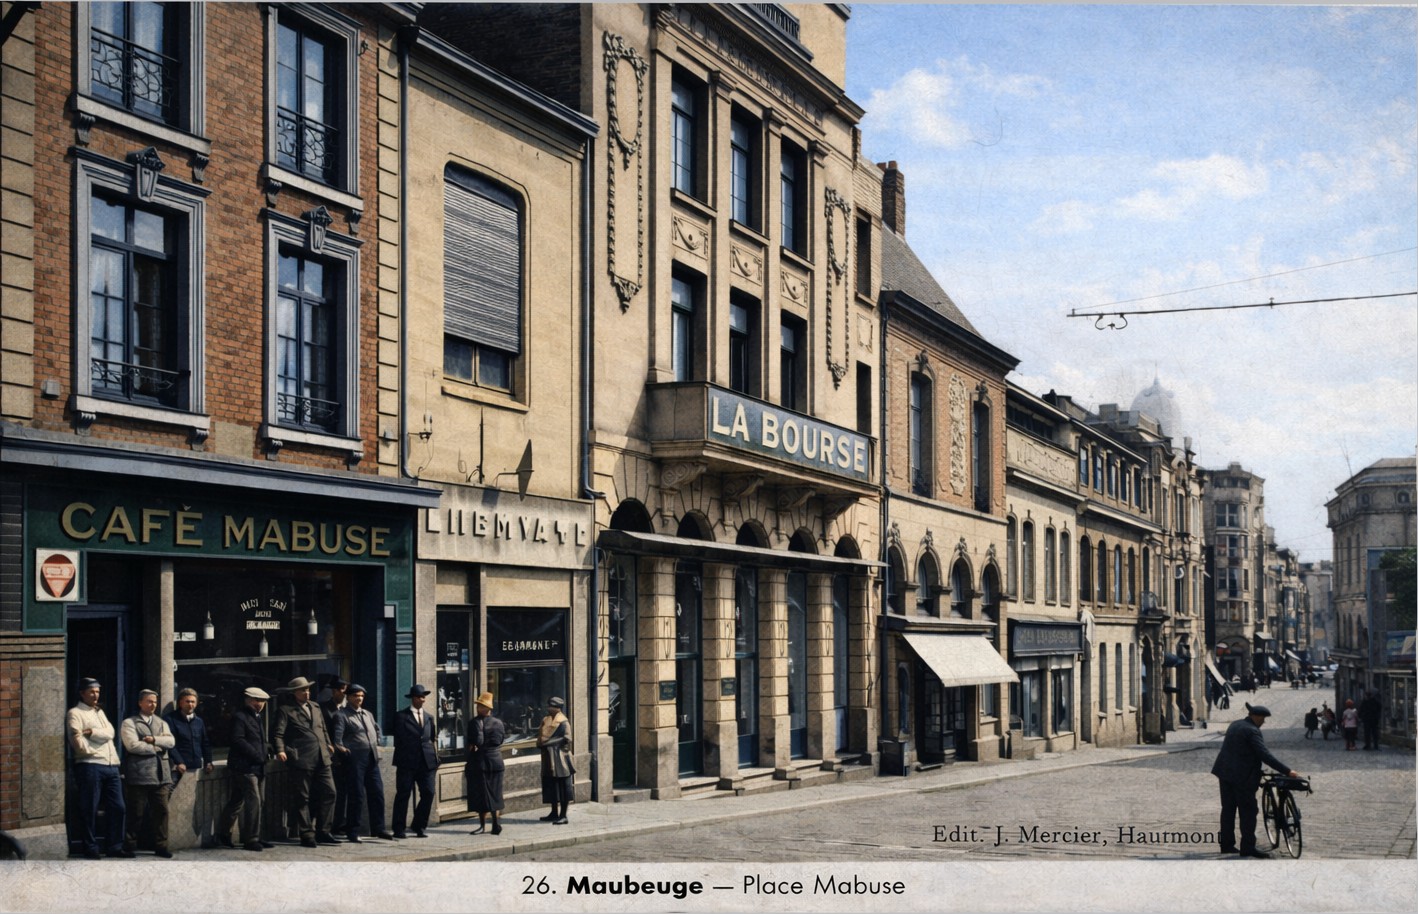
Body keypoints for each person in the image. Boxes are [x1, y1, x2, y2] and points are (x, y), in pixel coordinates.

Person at [1211, 703, 1299, 859]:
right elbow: (1264, 755)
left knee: (1228, 810)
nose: (1263, 722)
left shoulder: (1236, 724)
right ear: (1256, 716)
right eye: (1263, 718)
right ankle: (1248, 847)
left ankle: (1226, 844)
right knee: (1248, 811)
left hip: (1224, 772)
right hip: (1242, 777)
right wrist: (1287, 771)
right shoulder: (1252, 731)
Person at [273, 676, 340, 847]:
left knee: (330, 792)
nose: (307, 693)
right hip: (301, 759)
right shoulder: (286, 710)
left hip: (322, 758)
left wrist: (328, 744)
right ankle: (306, 834)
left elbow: (322, 728)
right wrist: (280, 750)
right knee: (303, 798)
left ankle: (323, 831)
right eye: (303, 690)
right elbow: (278, 734)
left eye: (308, 689)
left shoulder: (316, 707)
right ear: (294, 693)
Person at [66, 677, 129, 859]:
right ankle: (90, 847)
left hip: (111, 766)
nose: (96, 695)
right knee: (89, 808)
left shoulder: (99, 712)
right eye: (92, 691)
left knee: (118, 807)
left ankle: (114, 846)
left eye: (98, 691)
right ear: (82, 693)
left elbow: (111, 733)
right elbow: (77, 741)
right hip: (90, 765)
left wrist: (92, 733)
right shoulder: (75, 713)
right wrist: (92, 750)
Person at [332, 684, 395, 842]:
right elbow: (337, 740)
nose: (359, 698)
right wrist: (344, 750)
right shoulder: (342, 715)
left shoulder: (367, 713)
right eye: (355, 696)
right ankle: (352, 831)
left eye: (361, 696)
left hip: (372, 757)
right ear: (348, 697)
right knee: (356, 795)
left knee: (377, 793)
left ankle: (379, 829)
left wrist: (378, 742)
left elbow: (376, 730)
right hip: (354, 759)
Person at [119, 688, 176, 858]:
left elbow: (171, 742)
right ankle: (129, 846)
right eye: (149, 701)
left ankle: (161, 846)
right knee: (136, 812)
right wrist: (158, 747)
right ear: (140, 703)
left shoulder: (161, 722)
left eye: (155, 702)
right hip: (139, 774)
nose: (153, 705)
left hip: (161, 774)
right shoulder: (130, 723)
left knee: (162, 811)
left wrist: (155, 740)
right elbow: (132, 745)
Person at [215, 687, 273, 852]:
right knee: (254, 801)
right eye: (257, 700)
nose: (260, 704)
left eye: (262, 701)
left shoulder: (255, 717)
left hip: (254, 766)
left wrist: (265, 752)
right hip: (245, 767)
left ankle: (224, 834)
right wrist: (258, 755)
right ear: (248, 700)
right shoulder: (240, 717)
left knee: (238, 801)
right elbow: (238, 740)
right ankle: (252, 839)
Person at [392, 683, 440, 839]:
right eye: (420, 697)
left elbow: (431, 739)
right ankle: (399, 828)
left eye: (424, 696)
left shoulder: (429, 717)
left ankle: (419, 825)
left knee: (429, 792)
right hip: (407, 762)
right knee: (403, 794)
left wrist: (434, 758)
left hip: (427, 762)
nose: (423, 699)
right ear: (413, 698)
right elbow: (398, 740)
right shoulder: (401, 716)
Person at [464, 691, 505, 835]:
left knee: (481, 794)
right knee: (495, 793)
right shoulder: (499, 723)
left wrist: (472, 750)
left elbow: (477, 742)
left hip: (480, 762)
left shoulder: (475, 722)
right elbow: (500, 741)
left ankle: (482, 826)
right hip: (496, 761)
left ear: (486, 708)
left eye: (480, 705)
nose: (477, 708)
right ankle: (495, 823)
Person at [164, 687, 213, 788]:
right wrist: (179, 762)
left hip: (195, 766)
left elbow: (205, 742)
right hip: (177, 768)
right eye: (187, 701)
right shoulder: (170, 719)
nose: (190, 704)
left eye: (193, 702)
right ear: (180, 702)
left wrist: (208, 761)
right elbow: (170, 744)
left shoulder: (199, 721)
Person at [319, 677, 351, 837]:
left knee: (344, 792)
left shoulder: (349, 708)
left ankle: (340, 823)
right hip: (332, 757)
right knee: (332, 792)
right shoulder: (325, 709)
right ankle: (330, 825)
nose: (346, 694)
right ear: (335, 691)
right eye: (343, 691)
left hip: (348, 757)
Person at [536, 696, 574, 826]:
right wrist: (541, 743)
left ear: (557, 708)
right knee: (551, 785)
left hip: (560, 758)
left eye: (551, 706)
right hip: (548, 757)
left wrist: (549, 743)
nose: (548, 708)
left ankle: (563, 815)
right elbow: (540, 735)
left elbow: (567, 738)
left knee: (563, 786)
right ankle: (553, 812)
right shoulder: (545, 720)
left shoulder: (563, 722)